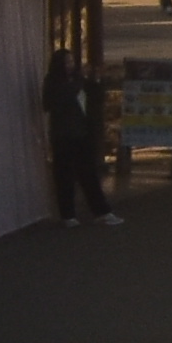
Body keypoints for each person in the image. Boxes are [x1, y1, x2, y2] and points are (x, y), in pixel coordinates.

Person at [43, 49, 112, 226]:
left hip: (81, 132)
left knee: (88, 174)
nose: (70, 66)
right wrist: (79, 81)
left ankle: (101, 211)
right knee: (64, 176)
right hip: (63, 134)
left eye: (72, 62)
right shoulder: (52, 82)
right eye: (67, 63)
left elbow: (95, 99)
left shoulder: (79, 81)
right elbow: (50, 103)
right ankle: (68, 215)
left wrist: (96, 79)